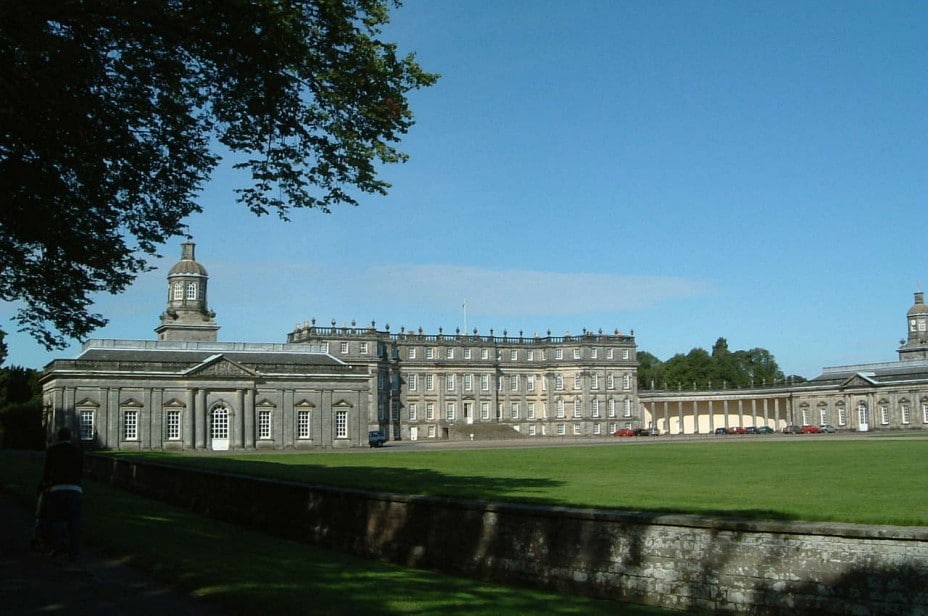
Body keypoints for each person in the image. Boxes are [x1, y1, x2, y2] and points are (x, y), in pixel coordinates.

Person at [41, 426, 83, 560]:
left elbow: (47, 471)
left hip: (57, 489)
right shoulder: (78, 450)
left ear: (58, 437)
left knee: (57, 519)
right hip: (75, 489)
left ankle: (58, 548)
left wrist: (45, 484)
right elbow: (80, 471)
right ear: (70, 437)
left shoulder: (52, 450)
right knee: (74, 522)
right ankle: (74, 552)